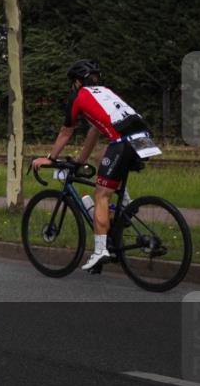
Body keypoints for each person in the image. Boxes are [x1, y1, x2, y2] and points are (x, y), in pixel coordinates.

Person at [31, 60, 153, 272]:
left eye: (72, 83)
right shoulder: (104, 92)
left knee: (101, 196)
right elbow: (94, 131)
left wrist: (50, 158)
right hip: (144, 139)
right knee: (100, 157)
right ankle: (125, 206)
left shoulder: (78, 97)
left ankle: (100, 251)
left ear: (77, 82)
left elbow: (66, 132)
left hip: (123, 142)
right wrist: (80, 161)